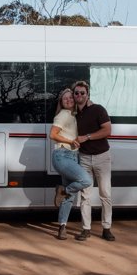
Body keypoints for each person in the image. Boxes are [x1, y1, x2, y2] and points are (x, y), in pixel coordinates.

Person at [72, 80, 115, 242]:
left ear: (87, 94)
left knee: (105, 193)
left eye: (82, 93)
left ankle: (106, 228)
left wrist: (87, 137)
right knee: (85, 195)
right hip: (83, 158)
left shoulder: (98, 109)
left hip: (102, 156)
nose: (79, 95)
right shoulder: (74, 113)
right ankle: (86, 229)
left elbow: (107, 130)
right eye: (76, 93)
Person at [49, 88, 93, 241]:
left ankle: (62, 227)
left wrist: (89, 103)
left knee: (69, 197)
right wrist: (71, 141)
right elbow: (52, 134)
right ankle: (63, 190)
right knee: (86, 180)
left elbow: (86, 105)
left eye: (70, 98)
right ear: (61, 102)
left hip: (72, 156)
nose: (68, 100)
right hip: (63, 156)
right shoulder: (63, 115)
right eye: (64, 98)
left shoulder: (74, 115)